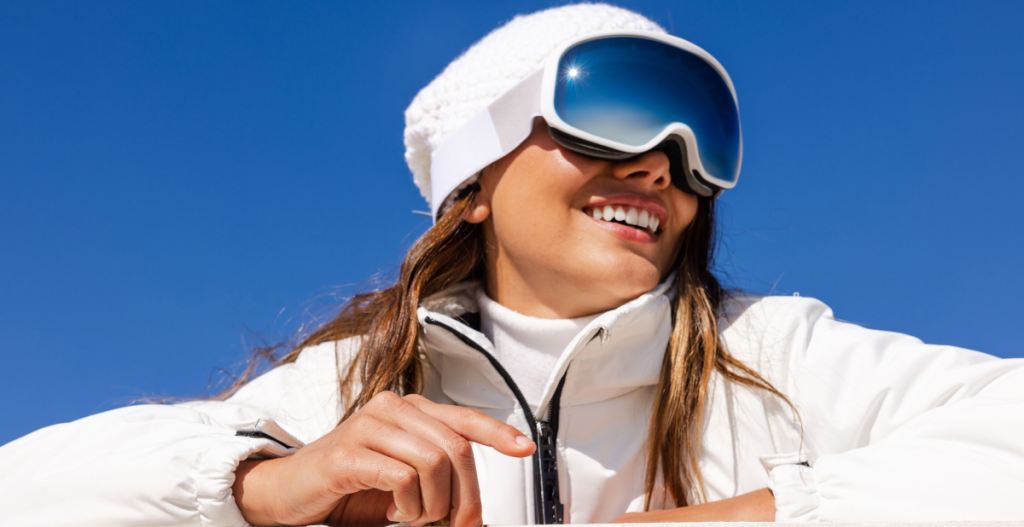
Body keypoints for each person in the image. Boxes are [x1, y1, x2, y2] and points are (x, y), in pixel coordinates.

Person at [2, 3, 1024, 526]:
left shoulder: (773, 353)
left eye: (692, 139)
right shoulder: (359, 386)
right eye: (610, 112)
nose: (658, 162)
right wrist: (263, 484)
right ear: (476, 180)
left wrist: (740, 516)